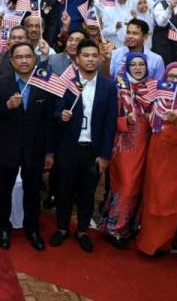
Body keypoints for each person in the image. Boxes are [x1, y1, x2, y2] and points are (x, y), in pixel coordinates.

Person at [0, 42, 56, 251]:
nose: (24, 61)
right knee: (3, 190)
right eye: (19, 57)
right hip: (7, 148)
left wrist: (49, 151)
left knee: (33, 191)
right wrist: (6, 107)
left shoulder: (44, 82)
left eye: (28, 56)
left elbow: (49, 121)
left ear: (34, 60)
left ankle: (32, 228)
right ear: (12, 60)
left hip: (35, 150)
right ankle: (3, 228)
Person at [51, 39, 117, 252]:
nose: (90, 59)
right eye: (85, 55)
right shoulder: (65, 82)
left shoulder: (108, 86)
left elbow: (110, 123)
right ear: (77, 59)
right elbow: (53, 113)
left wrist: (105, 155)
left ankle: (82, 230)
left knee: (87, 193)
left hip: (92, 150)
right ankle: (62, 228)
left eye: (93, 56)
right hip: (67, 148)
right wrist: (61, 115)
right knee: (64, 191)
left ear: (99, 58)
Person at [99, 52, 155, 248]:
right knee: (126, 185)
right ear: (128, 67)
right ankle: (115, 228)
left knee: (138, 187)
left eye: (141, 64)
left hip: (147, 146)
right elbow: (107, 117)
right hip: (124, 146)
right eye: (134, 65)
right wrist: (125, 121)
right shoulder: (119, 87)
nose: (138, 68)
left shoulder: (153, 88)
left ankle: (126, 227)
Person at [137, 63, 177, 256]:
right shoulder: (159, 99)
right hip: (156, 152)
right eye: (171, 76)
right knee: (153, 197)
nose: (175, 80)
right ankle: (147, 242)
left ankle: (162, 243)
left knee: (170, 201)